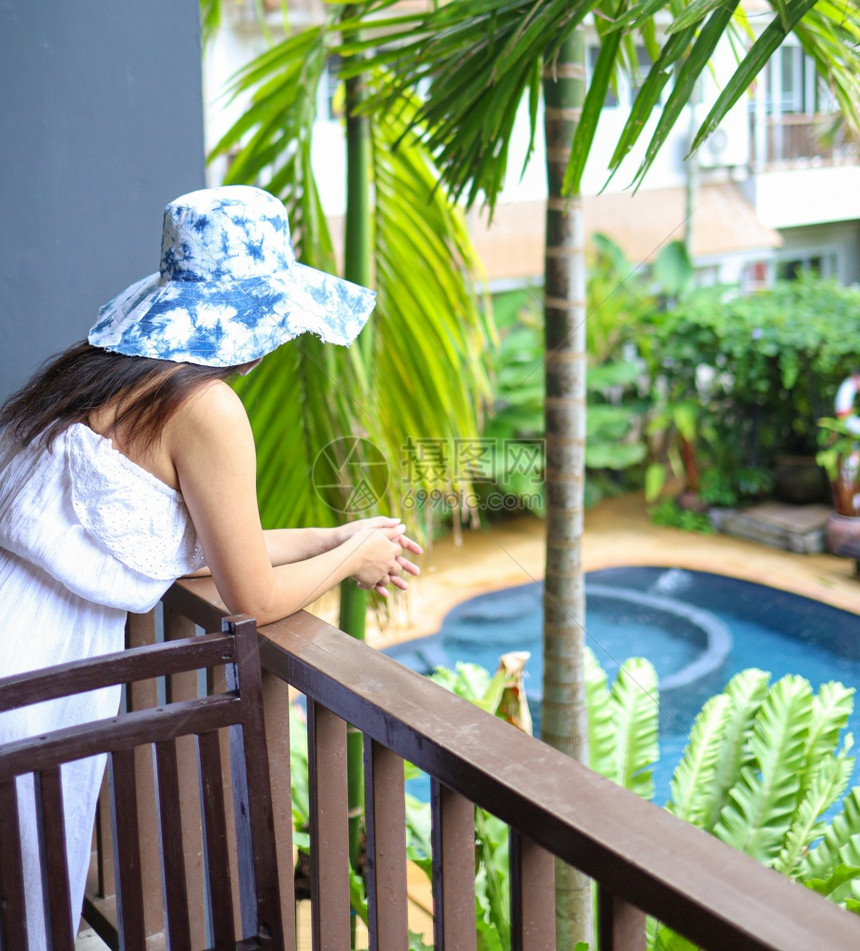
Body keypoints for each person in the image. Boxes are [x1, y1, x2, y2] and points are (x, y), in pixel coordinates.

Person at [0, 184, 421, 946]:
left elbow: (193, 541)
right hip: (36, 671)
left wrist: (336, 536)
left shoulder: (110, 375)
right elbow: (249, 594)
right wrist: (353, 556)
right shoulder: (208, 407)